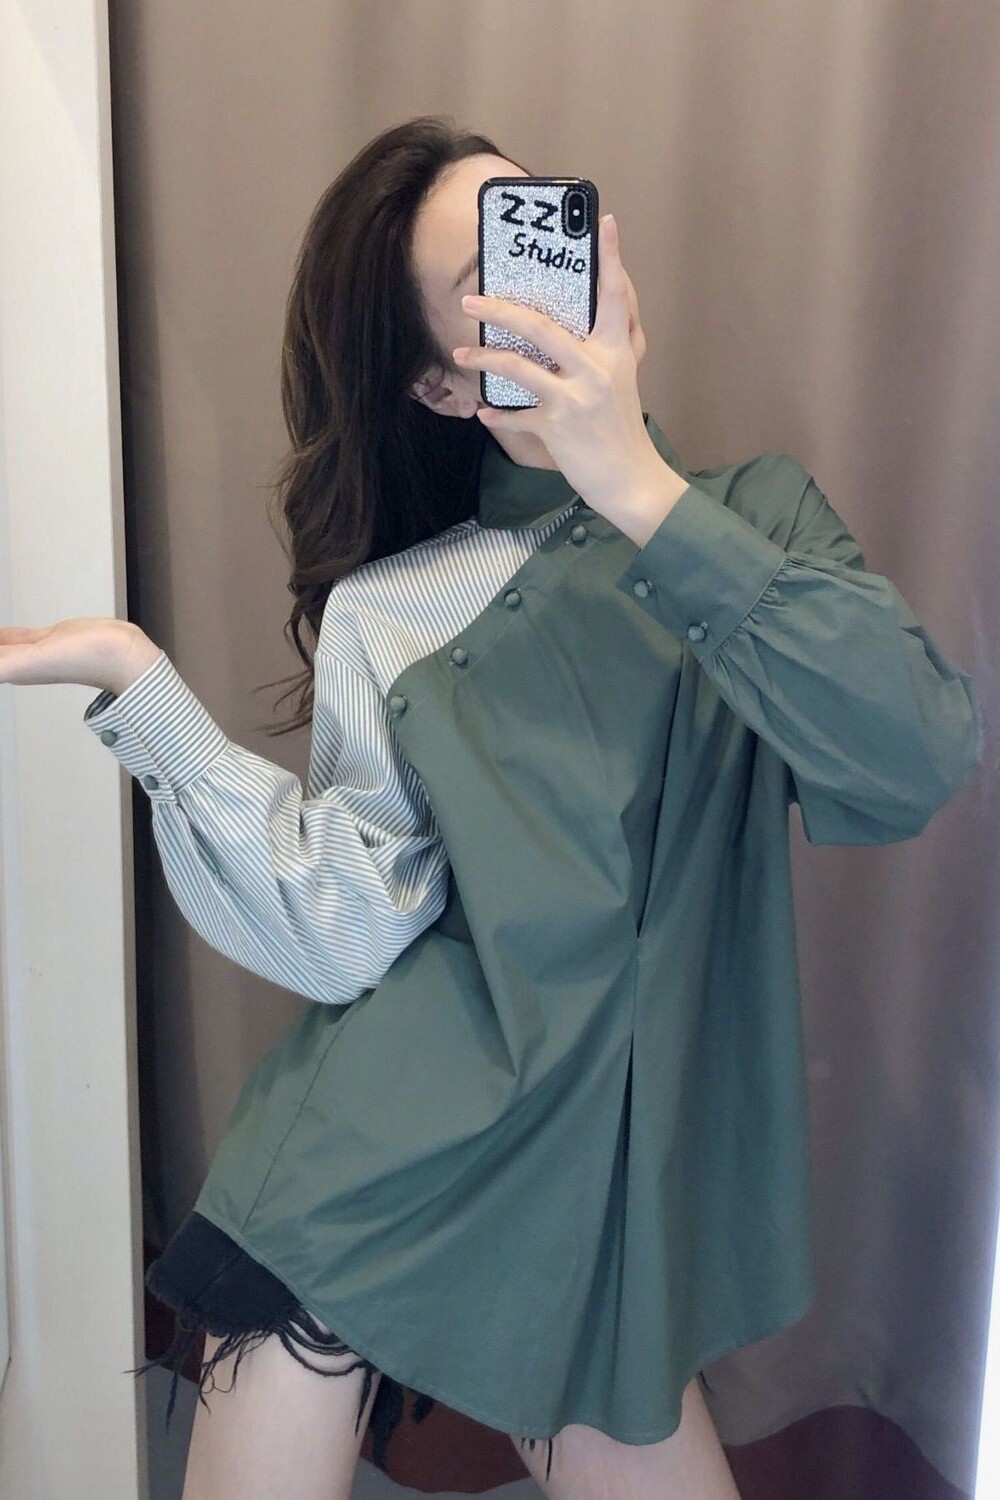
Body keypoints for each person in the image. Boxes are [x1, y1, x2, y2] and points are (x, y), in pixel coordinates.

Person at [0, 116, 982, 1500]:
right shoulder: (393, 609)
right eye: (493, 274)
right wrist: (139, 687)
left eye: (549, 223)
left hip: (604, 1202)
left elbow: (913, 754)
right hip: (373, 1162)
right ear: (438, 382)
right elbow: (345, 928)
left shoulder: (751, 522)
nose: (550, 274)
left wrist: (633, 486)